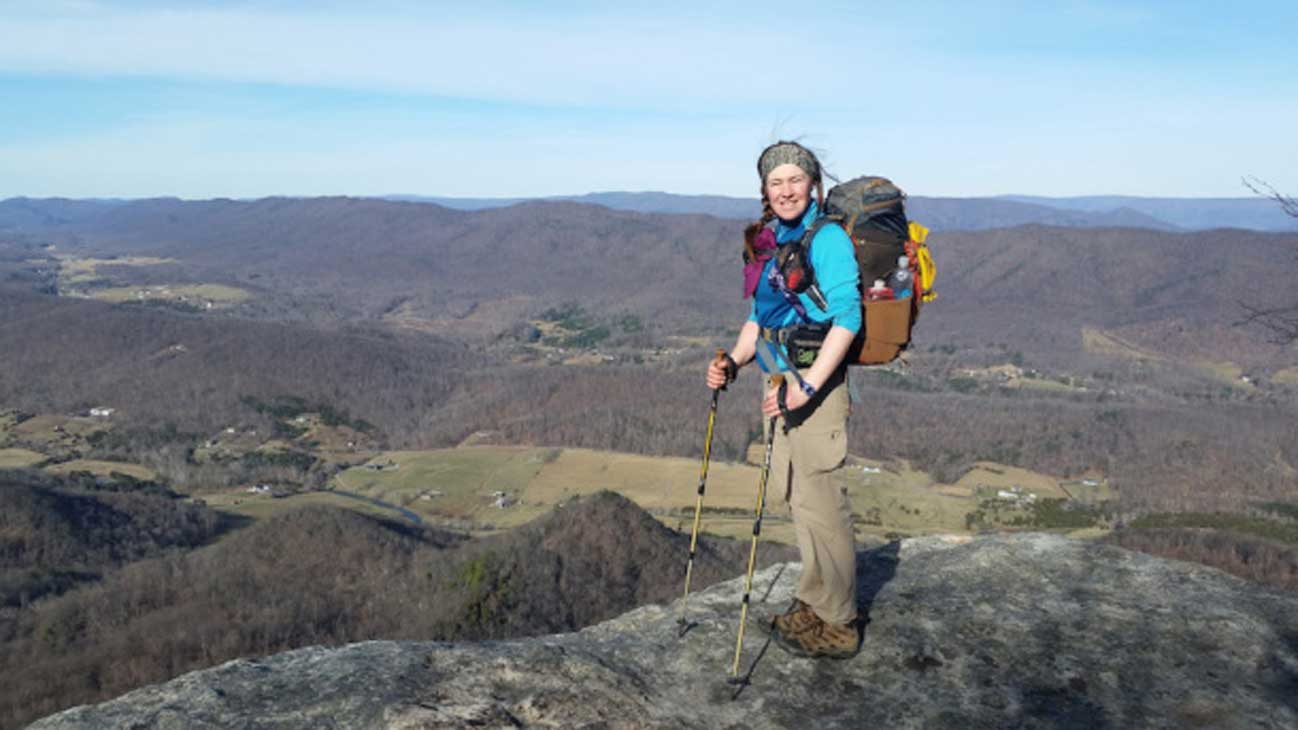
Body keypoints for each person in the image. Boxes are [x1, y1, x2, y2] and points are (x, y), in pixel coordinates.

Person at [707, 140, 862, 660]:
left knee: (823, 504)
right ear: (765, 191)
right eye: (777, 182)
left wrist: (809, 385)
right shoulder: (773, 240)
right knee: (798, 500)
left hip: (811, 391)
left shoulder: (828, 238)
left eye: (796, 180)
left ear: (813, 185)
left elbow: (848, 318)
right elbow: (761, 318)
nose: (787, 190)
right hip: (779, 387)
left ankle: (840, 622)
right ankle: (816, 601)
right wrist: (732, 361)